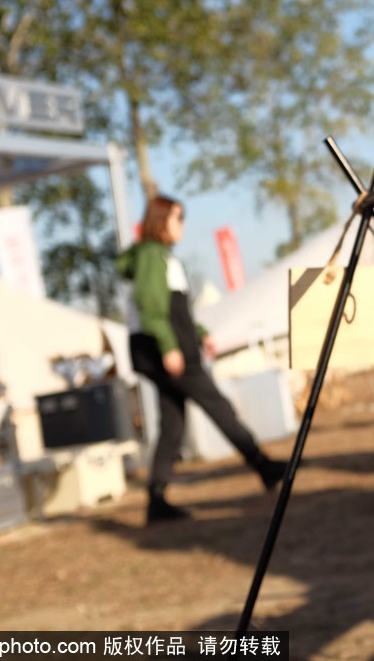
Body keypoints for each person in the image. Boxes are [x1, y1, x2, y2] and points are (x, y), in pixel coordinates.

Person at [117, 195, 286, 524]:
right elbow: (152, 308)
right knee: (216, 405)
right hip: (164, 349)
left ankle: (156, 499)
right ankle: (263, 465)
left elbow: (174, 308)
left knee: (173, 423)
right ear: (161, 220)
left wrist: (199, 331)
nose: (183, 225)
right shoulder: (152, 255)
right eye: (178, 218)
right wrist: (169, 347)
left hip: (167, 346)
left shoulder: (160, 257)